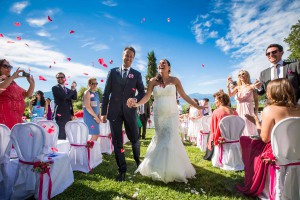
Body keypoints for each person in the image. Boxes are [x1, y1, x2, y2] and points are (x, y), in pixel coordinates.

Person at [128, 59, 206, 183]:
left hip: (171, 114)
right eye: (160, 63)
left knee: (170, 138)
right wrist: (137, 104)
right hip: (159, 115)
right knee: (160, 138)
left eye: (164, 63)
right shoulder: (153, 81)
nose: (161, 64)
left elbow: (184, 95)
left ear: (169, 67)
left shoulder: (175, 80)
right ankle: (156, 167)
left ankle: (173, 169)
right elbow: (147, 96)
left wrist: (197, 106)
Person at [237, 78, 300, 197]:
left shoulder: (270, 110)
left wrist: (256, 122)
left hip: (279, 151)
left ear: (273, 92)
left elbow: (264, 139)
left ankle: (253, 180)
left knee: (246, 141)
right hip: (297, 150)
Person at [101, 46, 145, 182]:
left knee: (135, 138)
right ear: (122, 56)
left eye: (132, 56)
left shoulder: (137, 74)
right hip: (114, 113)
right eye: (127, 55)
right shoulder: (112, 72)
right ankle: (122, 170)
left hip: (130, 112)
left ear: (133, 58)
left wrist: (135, 99)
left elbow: (142, 92)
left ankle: (138, 162)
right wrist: (103, 113)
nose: (129, 58)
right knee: (117, 142)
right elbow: (106, 93)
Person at [0, 59, 35, 129]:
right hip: (4, 120)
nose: (8, 68)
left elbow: (27, 94)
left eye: (10, 66)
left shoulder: (13, 82)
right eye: (5, 66)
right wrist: (12, 77)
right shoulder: (2, 80)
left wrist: (32, 84)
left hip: (16, 119)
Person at [227, 70, 258, 136]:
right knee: (240, 124)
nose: (241, 76)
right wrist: (228, 86)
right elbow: (230, 95)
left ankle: (250, 142)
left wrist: (256, 111)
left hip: (248, 108)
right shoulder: (237, 87)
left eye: (243, 74)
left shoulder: (252, 86)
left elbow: (256, 100)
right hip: (239, 109)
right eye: (239, 75)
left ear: (247, 75)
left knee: (248, 124)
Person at [52, 72, 77, 139]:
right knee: (61, 135)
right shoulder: (55, 88)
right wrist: (72, 90)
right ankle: (60, 149)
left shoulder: (68, 90)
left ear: (64, 78)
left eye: (61, 77)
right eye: (58, 77)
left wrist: (74, 88)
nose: (60, 78)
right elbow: (64, 97)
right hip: (60, 114)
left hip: (68, 114)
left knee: (68, 134)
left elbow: (74, 97)